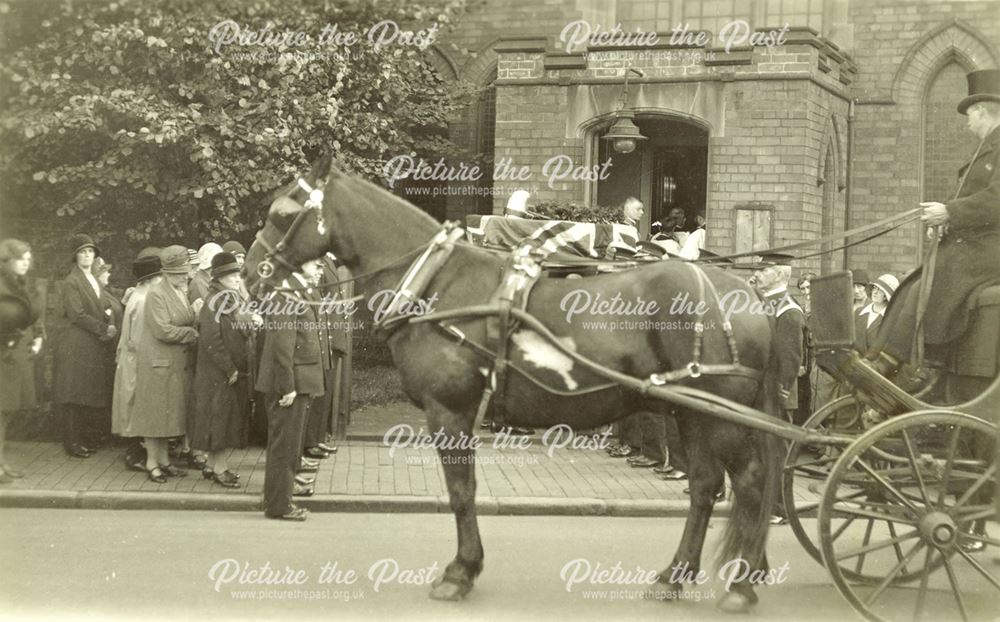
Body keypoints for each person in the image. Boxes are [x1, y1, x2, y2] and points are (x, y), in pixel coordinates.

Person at [870, 69, 1000, 393]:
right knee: (916, 281)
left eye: (969, 115)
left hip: (990, 248)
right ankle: (886, 358)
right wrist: (945, 221)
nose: (967, 122)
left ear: (983, 111)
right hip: (976, 244)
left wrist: (948, 212)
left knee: (941, 272)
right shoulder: (987, 148)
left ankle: (910, 362)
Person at [256, 260, 326, 521]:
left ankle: (278, 498)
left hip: (298, 381)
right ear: (301, 263)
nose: (320, 270)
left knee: (289, 445)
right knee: (284, 446)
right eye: (316, 265)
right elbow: (282, 344)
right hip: (289, 383)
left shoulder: (299, 290)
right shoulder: (286, 293)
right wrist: (287, 386)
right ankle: (279, 506)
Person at [131, 245, 199, 483]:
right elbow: (161, 329)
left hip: (173, 364)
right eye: (181, 273)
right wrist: (191, 334)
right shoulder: (156, 294)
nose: (187, 276)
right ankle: (152, 463)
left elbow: (183, 318)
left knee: (167, 416)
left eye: (186, 271)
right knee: (155, 416)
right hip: (157, 364)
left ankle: (165, 462)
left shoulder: (180, 290)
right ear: (168, 273)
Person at [52, 234, 117, 458]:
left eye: (90, 251)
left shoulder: (93, 279)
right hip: (76, 342)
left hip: (90, 342)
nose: (87, 255)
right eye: (82, 251)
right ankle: (72, 443)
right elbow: (77, 314)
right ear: (75, 256)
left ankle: (84, 439)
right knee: (74, 393)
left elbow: (104, 304)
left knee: (85, 391)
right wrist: (103, 329)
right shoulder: (73, 280)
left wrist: (110, 319)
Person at [191, 252, 253, 488]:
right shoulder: (213, 302)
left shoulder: (230, 299)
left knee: (224, 421)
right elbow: (211, 341)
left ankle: (211, 466)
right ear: (219, 277)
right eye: (232, 275)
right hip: (217, 375)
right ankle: (219, 469)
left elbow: (237, 330)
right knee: (218, 422)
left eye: (238, 274)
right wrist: (230, 369)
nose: (237, 279)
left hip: (228, 373)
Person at [751, 253, 804, 525]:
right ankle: (763, 503)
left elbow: (791, 358)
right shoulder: (765, 302)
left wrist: (780, 390)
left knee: (776, 453)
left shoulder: (788, 309)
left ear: (781, 275)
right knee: (759, 450)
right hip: (760, 391)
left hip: (777, 393)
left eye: (765, 269)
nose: (758, 274)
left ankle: (779, 507)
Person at [111, 253, 162, 472]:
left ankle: (135, 451)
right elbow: (139, 339)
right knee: (134, 403)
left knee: (131, 402)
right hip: (136, 360)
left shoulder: (138, 295)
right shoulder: (143, 300)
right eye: (160, 277)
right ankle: (134, 454)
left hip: (130, 358)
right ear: (152, 278)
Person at [0, 239, 44, 482]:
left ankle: (2, 463)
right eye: (21, 258)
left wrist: (38, 337)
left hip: (16, 356)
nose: (27, 263)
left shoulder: (20, 285)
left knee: (5, 413)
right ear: (7, 261)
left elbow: (32, 315)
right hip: (3, 357)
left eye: (29, 258)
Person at [856, 274, 898, 354]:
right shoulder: (858, 312)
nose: (875, 292)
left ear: (886, 296)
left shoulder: (890, 319)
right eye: (875, 288)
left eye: (880, 290)